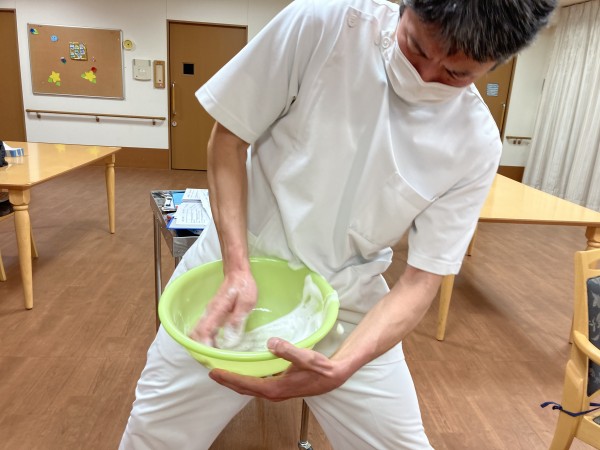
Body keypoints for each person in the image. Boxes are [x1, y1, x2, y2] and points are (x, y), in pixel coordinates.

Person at [120, 0, 556, 448]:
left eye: (455, 74)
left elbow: (421, 281)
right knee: (154, 435)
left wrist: (345, 365)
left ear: (495, 64)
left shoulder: (475, 143)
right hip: (234, 270)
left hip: (348, 302)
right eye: (415, 48)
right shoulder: (324, 24)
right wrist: (236, 267)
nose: (424, 76)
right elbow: (229, 139)